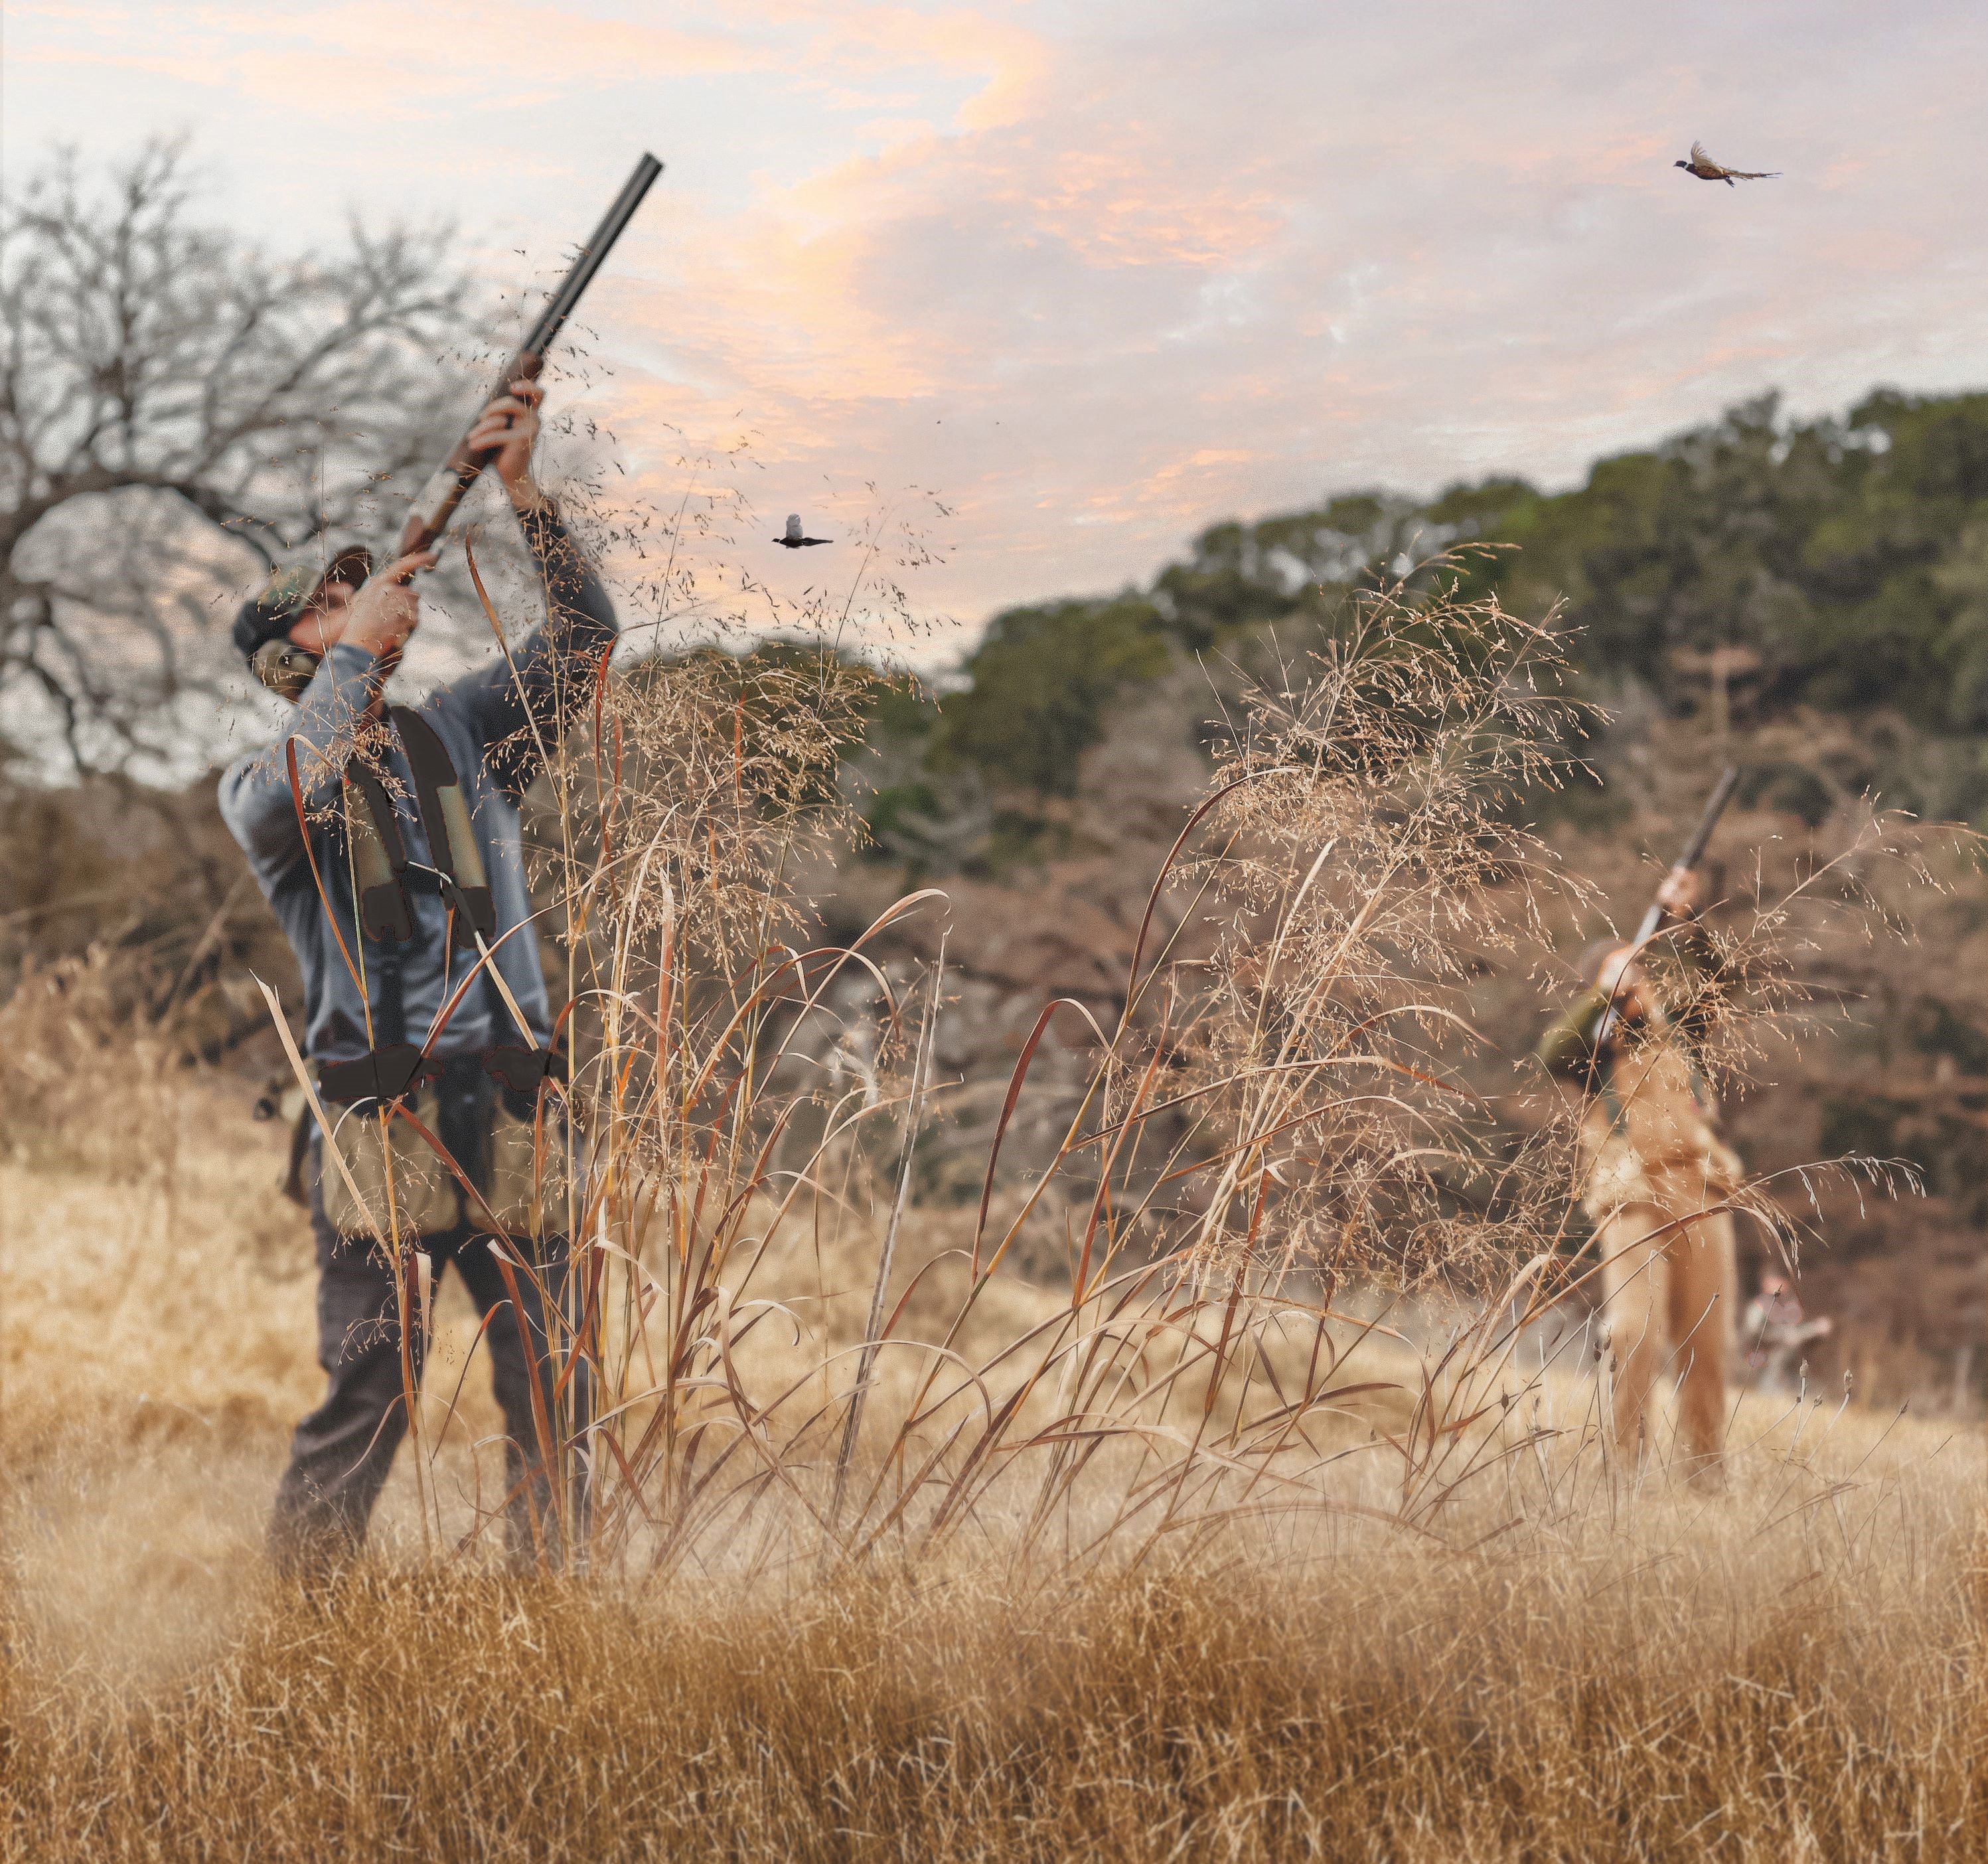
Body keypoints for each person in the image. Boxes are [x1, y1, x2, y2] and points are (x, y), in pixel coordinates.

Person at [219, 379, 613, 1569]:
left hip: (514, 1099)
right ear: (285, 662)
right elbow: (298, 783)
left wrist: (526, 495)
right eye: (325, 608)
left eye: (360, 587)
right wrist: (360, 655)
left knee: (556, 1387)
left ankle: (554, 1608)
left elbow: (587, 643)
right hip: (376, 1124)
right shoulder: (262, 782)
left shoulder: (461, 727)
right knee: (368, 1397)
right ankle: (302, 1619)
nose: (360, 603)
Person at [1536, 868, 1740, 1476]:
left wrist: (1687, 920)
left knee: (1709, 1343)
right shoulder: (1592, 1050)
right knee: (1635, 1333)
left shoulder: (1679, 1030)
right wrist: (1604, 994)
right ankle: (1622, 1469)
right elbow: (1550, 1053)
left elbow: (1717, 987)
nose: (1637, 985)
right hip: (1633, 1194)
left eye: (1637, 973)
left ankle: (1705, 1474)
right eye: (1621, 975)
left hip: (1701, 1188)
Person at [1741, 1271, 1831, 1396]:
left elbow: (1794, 1332)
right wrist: (1783, 1335)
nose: (1782, 1286)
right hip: (1759, 1362)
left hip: (1781, 1365)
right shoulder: (1758, 1307)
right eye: (1777, 1281)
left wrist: (1815, 1328)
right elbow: (1753, 1332)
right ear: (1767, 1283)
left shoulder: (1785, 1305)